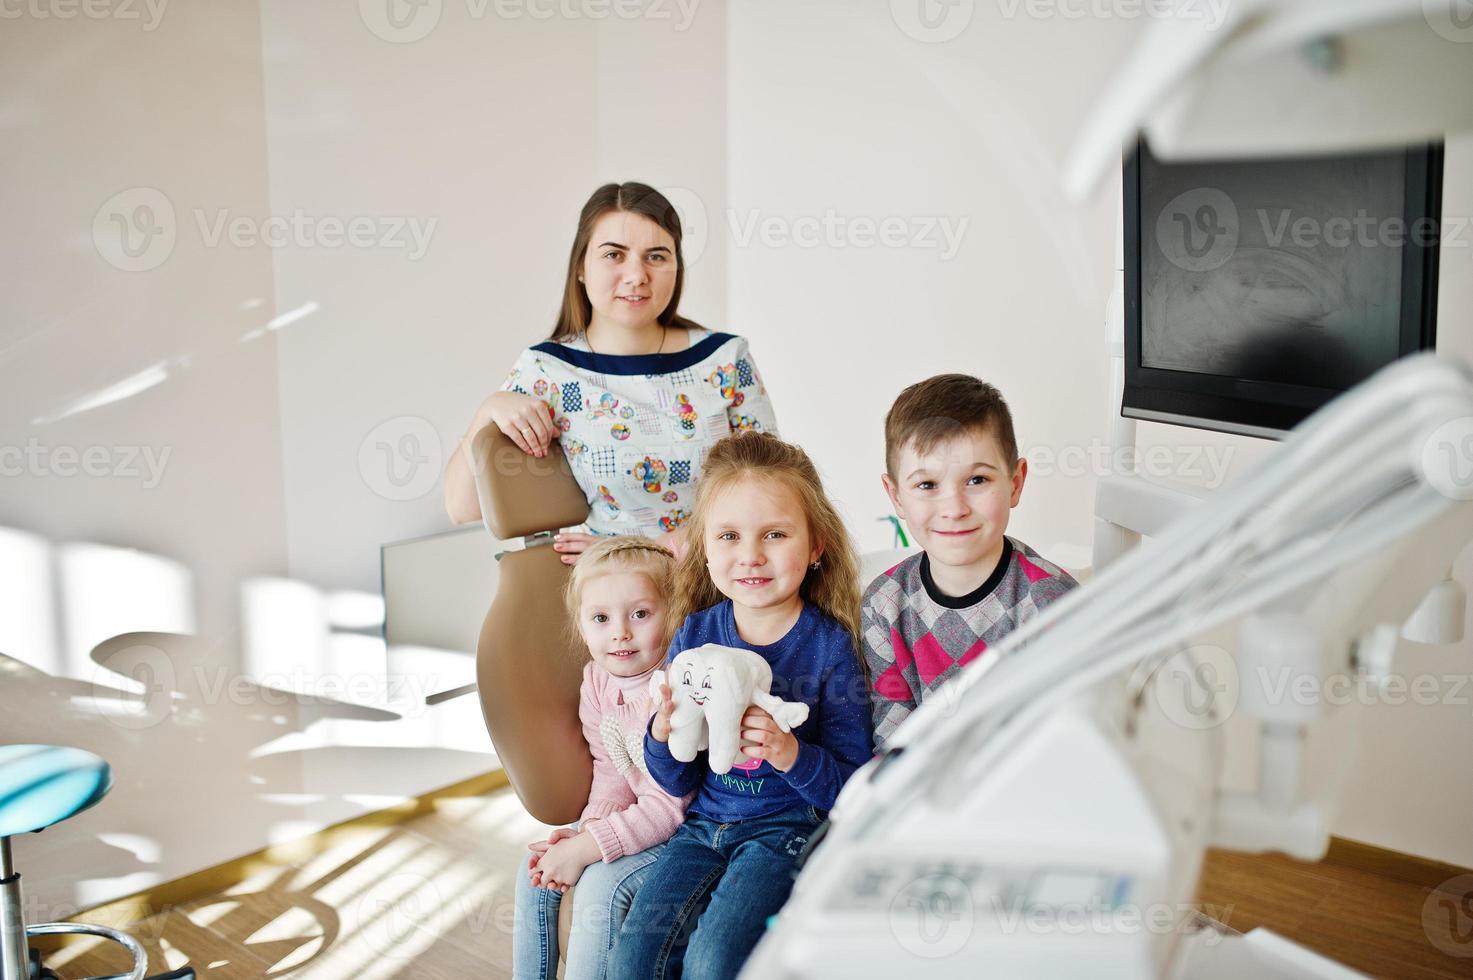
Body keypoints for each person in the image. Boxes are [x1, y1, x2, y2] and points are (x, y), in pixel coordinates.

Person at [611, 432, 873, 980]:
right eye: (729, 535)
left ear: (816, 544)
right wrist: (662, 733)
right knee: (636, 952)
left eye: (774, 534)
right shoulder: (695, 634)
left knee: (714, 959)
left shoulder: (830, 647)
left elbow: (853, 785)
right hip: (704, 824)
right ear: (705, 546)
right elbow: (674, 777)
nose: (750, 555)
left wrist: (790, 753)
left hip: (786, 829)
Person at [443, 181, 778, 563]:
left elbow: (769, 489)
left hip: (718, 584)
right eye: (614, 255)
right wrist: (485, 413)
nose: (636, 275)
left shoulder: (724, 359)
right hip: (611, 602)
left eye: (656, 256)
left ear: (676, 268)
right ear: (581, 267)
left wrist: (642, 552)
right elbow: (461, 508)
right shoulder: (548, 369)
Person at [864, 373, 1078, 748]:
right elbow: (892, 738)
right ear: (896, 496)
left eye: (977, 480)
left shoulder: (1050, 602)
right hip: (922, 791)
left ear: (1014, 483)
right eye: (927, 485)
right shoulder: (883, 605)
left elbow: (1065, 736)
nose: (954, 508)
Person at [512, 536, 691, 980]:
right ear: (581, 626)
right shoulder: (597, 681)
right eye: (601, 618)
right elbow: (610, 770)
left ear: (674, 612)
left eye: (641, 614)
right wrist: (588, 832)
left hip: (684, 831)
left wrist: (590, 849)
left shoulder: (678, 684)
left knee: (600, 887)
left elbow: (672, 804)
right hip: (635, 822)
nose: (620, 633)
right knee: (531, 871)